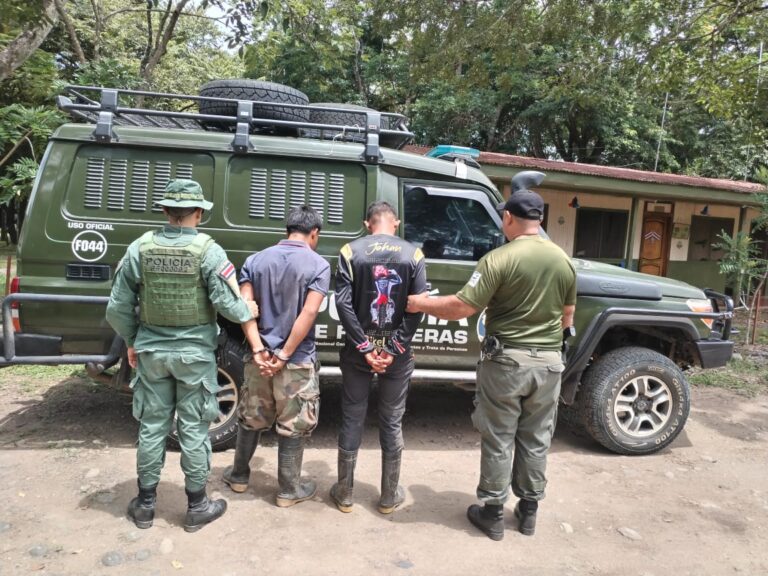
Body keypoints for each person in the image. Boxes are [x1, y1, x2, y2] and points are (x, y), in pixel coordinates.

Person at [407, 188, 576, 541]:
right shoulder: (563, 259)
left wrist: (420, 303)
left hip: (507, 364)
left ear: (509, 217)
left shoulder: (499, 258)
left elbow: (463, 307)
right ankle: (528, 512)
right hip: (548, 364)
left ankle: (493, 513)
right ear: (540, 219)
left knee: (499, 436)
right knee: (537, 437)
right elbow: (567, 315)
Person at [106, 179, 259, 533]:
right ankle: (197, 506)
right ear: (199, 213)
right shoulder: (209, 252)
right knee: (193, 428)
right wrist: (247, 308)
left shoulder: (140, 248)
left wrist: (132, 340)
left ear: (164, 211)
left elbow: (117, 307)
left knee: (152, 427)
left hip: (151, 354)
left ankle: (145, 505)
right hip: (194, 357)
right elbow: (228, 304)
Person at [222, 205, 330, 508]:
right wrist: (284, 354)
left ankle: (239, 476)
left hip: (259, 359)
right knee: (294, 422)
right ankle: (288, 489)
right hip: (296, 361)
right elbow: (309, 312)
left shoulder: (255, 261)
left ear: (287, 230)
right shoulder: (319, 265)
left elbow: (245, 309)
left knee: (252, 416)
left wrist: (258, 349)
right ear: (314, 233)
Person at [330, 201, 427, 514]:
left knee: (352, 416)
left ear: (366, 223)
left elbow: (343, 304)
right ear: (395, 223)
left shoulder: (350, 252)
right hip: (396, 356)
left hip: (358, 353)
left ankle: (345, 494)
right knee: (392, 419)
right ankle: (388, 496)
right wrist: (393, 348)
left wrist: (364, 346)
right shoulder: (413, 255)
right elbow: (417, 306)